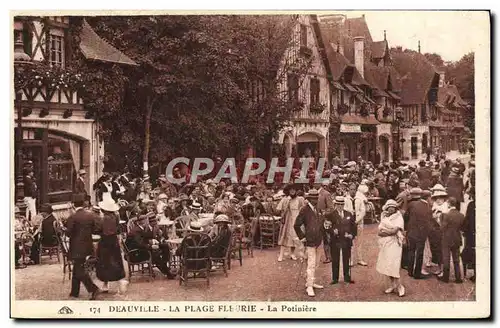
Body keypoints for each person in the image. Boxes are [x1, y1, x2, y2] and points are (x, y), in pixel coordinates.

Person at [294, 188, 325, 297]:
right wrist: (302, 238)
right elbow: (296, 225)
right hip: (310, 241)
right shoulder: (304, 210)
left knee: (316, 263)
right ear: (309, 198)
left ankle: (310, 282)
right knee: (311, 264)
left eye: (316, 198)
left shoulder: (318, 209)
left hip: (318, 240)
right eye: (313, 198)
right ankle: (309, 287)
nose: (315, 200)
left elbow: (321, 223)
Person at [66, 205, 101, 299]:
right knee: (77, 267)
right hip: (88, 245)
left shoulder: (72, 217)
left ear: (73, 205)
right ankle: (74, 292)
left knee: (79, 269)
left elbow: (68, 233)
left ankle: (93, 288)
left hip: (76, 247)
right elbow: (95, 229)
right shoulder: (90, 215)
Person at [126, 214, 176, 279]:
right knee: (155, 255)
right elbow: (139, 244)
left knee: (164, 246)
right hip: (135, 254)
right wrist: (151, 246)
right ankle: (167, 273)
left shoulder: (140, 228)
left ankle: (165, 266)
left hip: (140, 250)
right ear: (142, 223)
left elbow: (144, 239)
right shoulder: (136, 231)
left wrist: (152, 240)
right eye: (147, 221)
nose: (148, 223)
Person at [95, 198, 127, 294]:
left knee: (104, 263)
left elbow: (99, 229)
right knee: (116, 261)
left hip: (105, 241)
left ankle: (105, 284)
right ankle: (120, 281)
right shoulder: (115, 216)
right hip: (113, 240)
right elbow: (117, 228)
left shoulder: (103, 219)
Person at [376, 199, 406, 297]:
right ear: (387, 208)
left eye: (393, 207)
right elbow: (379, 232)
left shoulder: (399, 217)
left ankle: (400, 286)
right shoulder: (384, 217)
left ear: (396, 208)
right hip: (386, 244)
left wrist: (386, 231)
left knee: (394, 265)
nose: (391, 209)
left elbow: (395, 231)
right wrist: (388, 231)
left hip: (395, 244)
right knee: (388, 264)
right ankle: (393, 285)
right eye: (389, 207)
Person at [325, 196, 356, 285]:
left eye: (342, 204)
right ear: (335, 204)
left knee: (346, 259)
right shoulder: (331, 215)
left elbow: (353, 227)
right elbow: (326, 227)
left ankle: (347, 277)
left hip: (346, 240)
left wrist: (352, 235)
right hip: (336, 240)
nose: (340, 206)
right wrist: (332, 231)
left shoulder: (349, 214)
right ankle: (335, 279)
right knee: (335, 259)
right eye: (338, 204)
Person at [406, 188, 432, 279]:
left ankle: (410, 271)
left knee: (411, 251)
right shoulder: (427, 207)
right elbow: (427, 222)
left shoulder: (413, 204)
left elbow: (408, 217)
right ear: (428, 198)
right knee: (419, 253)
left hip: (411, 231)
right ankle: (417, 273)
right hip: (420, 233)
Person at [438, 197, 465, 283]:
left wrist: (439, 220)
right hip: (457, 238)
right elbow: (462, 228)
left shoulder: (446, 215)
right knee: (456, 259)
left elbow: (442, 228)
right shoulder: (461, 215)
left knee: (446, 258)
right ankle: (458, 278)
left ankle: (446, 277)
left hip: (447, 239)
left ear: (449, 204)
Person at [277, 184, 306, 262]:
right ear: (288, 191)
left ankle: (292, 253)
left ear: (296, 191)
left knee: (296, 238)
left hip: (298, 220)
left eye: (294, 190)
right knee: (285, 237)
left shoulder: (300, 199)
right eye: (291, 190)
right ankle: (281, 255)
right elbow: (279, 209)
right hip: (288, 220)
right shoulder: (286, 199)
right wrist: (285, 208)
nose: (292, 191)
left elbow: (304, 209)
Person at [317, 181, 334, 264]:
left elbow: (331, 208)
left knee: (326, 238)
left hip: (324, 220)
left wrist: (323, 213)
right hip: (315, 220)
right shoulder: (310, 193)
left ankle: (329, 256)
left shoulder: (326, 194)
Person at [353, 184, 368, 266]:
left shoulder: (358, 198)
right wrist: (355, 221)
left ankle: (358, 259)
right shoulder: (359, 199)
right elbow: (362, 212)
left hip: (357, 222)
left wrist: (356, 221)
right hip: (356, 223)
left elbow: (362, 212)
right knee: (355, 242)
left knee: (358, 242)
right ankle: (355, 259)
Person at [462, 188, 475, 281]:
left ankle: (468, 271)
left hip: (471, 233)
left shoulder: (471, 205)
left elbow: (467, 219)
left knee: (469, 251)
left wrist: (464, 230)